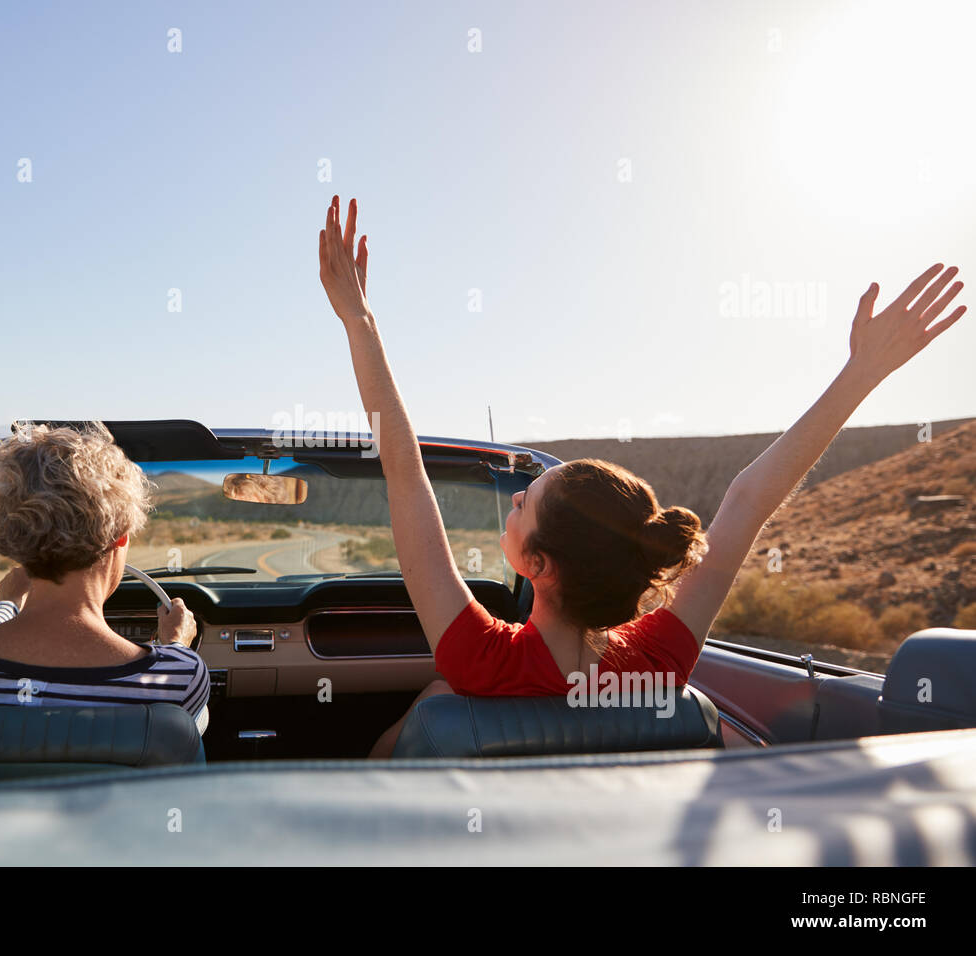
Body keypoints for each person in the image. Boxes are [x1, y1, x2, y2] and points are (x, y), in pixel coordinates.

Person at [317, 195, 965, 758]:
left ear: (538, 565)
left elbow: (406, 476)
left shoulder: (476, 663)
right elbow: (748, 500)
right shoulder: (661, 664)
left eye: (525, 503)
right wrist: (862, 374)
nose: (515, 497)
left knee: (427, 706)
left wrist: (359, 320)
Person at [0, 422, 210, 732]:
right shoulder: (177, 678)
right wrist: (177, 643)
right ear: (119, 536)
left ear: (13, 533)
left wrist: (7, 605)